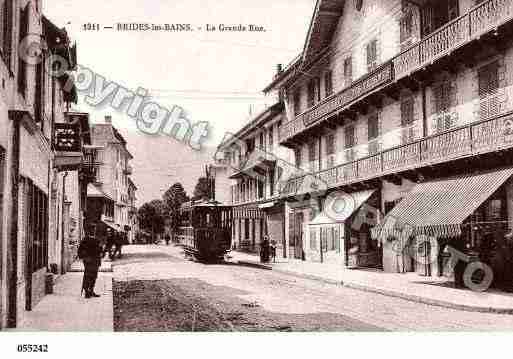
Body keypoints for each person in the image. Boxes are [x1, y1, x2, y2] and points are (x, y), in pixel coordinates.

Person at [77, 232, 103, 298]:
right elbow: (80, 251)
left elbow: (100, 250)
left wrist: (101, 250)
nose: (93, 231)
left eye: (94, 229)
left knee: (94, 276)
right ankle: (86, 291)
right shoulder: (85, 240)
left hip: (96, 260)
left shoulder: (97, 240)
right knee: (88, 276)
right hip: (89, 261)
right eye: (92, 229)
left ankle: (91, 290)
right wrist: (85, 258)